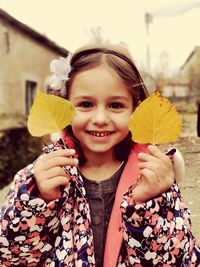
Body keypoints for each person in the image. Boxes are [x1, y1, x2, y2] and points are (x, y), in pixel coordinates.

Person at [0, 44, 199, 267]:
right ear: (65, 106)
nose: (101, 118)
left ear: (136, 109)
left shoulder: (154, 176)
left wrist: (151, 204)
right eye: (86, 104)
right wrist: (39, 201)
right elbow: (12, 256)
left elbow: (181, 259)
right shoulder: (39, 178)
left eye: (115, 105)